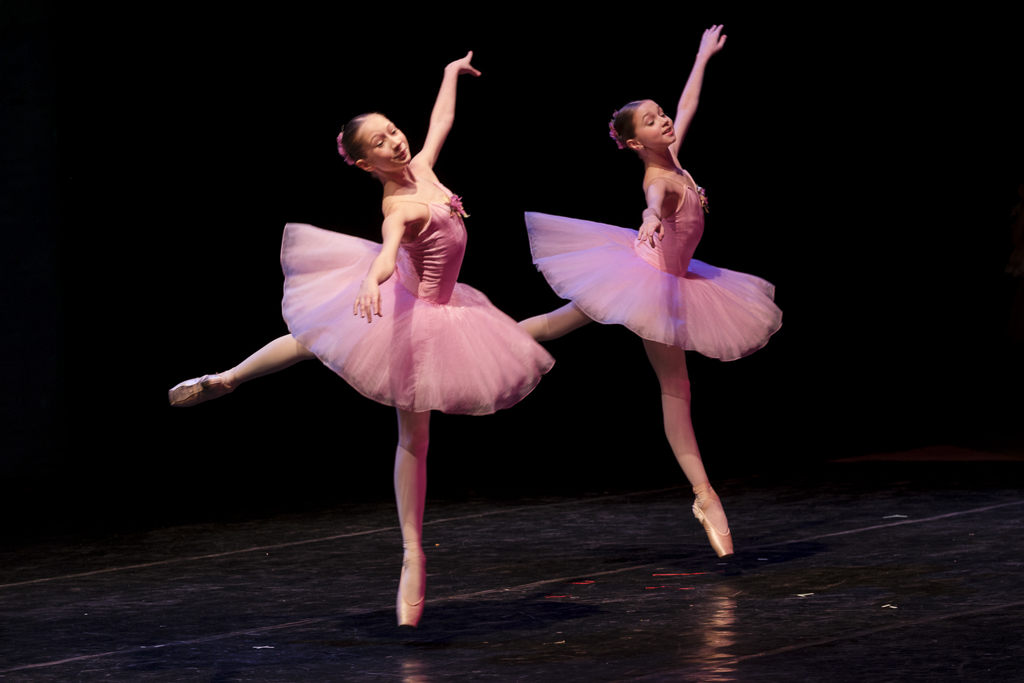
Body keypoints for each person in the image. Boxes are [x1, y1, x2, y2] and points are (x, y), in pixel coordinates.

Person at [167, 52, 554, 626]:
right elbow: (389, 245)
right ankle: (412, 555)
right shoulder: (398, 204)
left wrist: (450, 74)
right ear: (365, 162)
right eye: (381, 142)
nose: (396, 142)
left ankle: (228, 376)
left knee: (312, 339)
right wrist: (374, 280)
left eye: (393, 130)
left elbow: (441, 121)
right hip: (414, 311)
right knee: (411, 435)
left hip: (439, 302)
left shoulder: (422, 167)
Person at [518, 26, 781, 557]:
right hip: (648, 278)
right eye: (652, 120)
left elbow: (688, 104)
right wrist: (649, 220)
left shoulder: (674, 157)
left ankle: (705, 495)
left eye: (661, 114)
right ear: (636, 143)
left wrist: (702, 57)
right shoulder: (657, 178)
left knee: (576, 330)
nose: (664, 120)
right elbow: (654, 200)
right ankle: (704, 495)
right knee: (664, 383)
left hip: (673, 278)